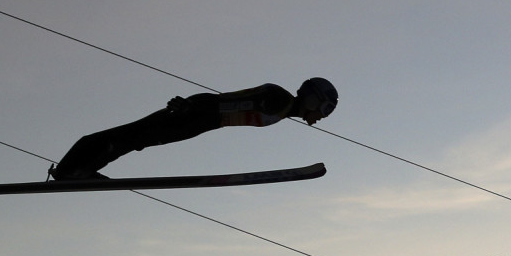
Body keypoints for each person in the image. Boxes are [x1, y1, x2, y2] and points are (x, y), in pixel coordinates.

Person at [49, 78, 338, 180]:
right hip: (198, 117)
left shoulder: (282, 108)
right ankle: (74, 170)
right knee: (133, 135)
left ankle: (75, 169)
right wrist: (191, 106)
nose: (323, 117)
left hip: (202, 121)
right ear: (313, 100)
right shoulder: (278, 100)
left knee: (135, 137)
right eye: (325, 110)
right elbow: (226, 102)